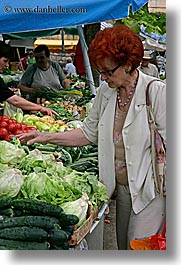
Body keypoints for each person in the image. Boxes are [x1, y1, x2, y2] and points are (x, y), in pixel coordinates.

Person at [16, 25, 166, 250]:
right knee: (124, 247)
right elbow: (87, 134)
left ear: (128, 64)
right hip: (121, 190)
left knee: (141, 250)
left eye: (108, 72)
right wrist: (47, 137)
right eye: (101, 72)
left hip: (150, 191)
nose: (104, 78)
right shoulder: (106, 93)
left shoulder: (157, 92)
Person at [0, 41, 58, 117]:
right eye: (5, 61)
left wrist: (5, 91)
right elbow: (15, 100)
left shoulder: (55, 66)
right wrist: (40, 108)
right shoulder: (32, 68)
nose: (7, 65)